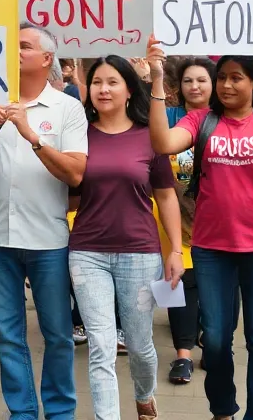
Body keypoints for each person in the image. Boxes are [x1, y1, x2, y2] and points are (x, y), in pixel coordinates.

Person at [147, 38, 253, 420]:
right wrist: (157, 79)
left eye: (236, 78)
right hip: (212, 247)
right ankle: (222, 410)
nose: (226, 85)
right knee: (217, 339)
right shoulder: (201, 121)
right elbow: (162, 142)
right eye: (221, 77)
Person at [0, 24, 88, 420]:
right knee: (9, 335)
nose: (14, 51)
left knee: (58, 334)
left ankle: (60, 412)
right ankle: (22, 412)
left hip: (48, 240)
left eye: (25, 46)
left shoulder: (67, 107)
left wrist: (31, 134)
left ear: (47, 59)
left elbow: (75, 173)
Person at [70, 56, 183, 420]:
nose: (103, 89)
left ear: (129, 89)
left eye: (112, 82)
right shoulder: (78, 135)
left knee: (139, 345)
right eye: (97, 82)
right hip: (87, 253)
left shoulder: (150, 135)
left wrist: (175, 250)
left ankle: (144, 395)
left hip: (140, 253)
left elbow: (166, 195)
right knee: (101, 346)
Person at [158, 57, 215, 385]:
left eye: (202, 80)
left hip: (216, 219)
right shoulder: (168, 118)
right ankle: (182, 354)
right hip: (172, 217)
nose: (195, 86)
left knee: (215, 285)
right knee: (177, 283)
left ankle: (213, 341)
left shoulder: (224, 118)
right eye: (188, 81)